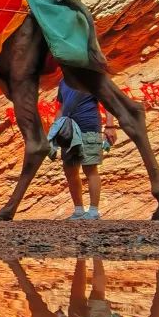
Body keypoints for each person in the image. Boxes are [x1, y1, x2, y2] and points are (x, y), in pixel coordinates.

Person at [54, 79, 117, 219]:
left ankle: (93, 211)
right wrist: (55, 129)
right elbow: (61, 107)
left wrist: (110, 125)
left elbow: (107, 101)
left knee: (90, 168)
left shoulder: (88, 77)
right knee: (70, 169)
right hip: (68, 131)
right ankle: (78, 210)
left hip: (88, 128)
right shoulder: (63, 82)